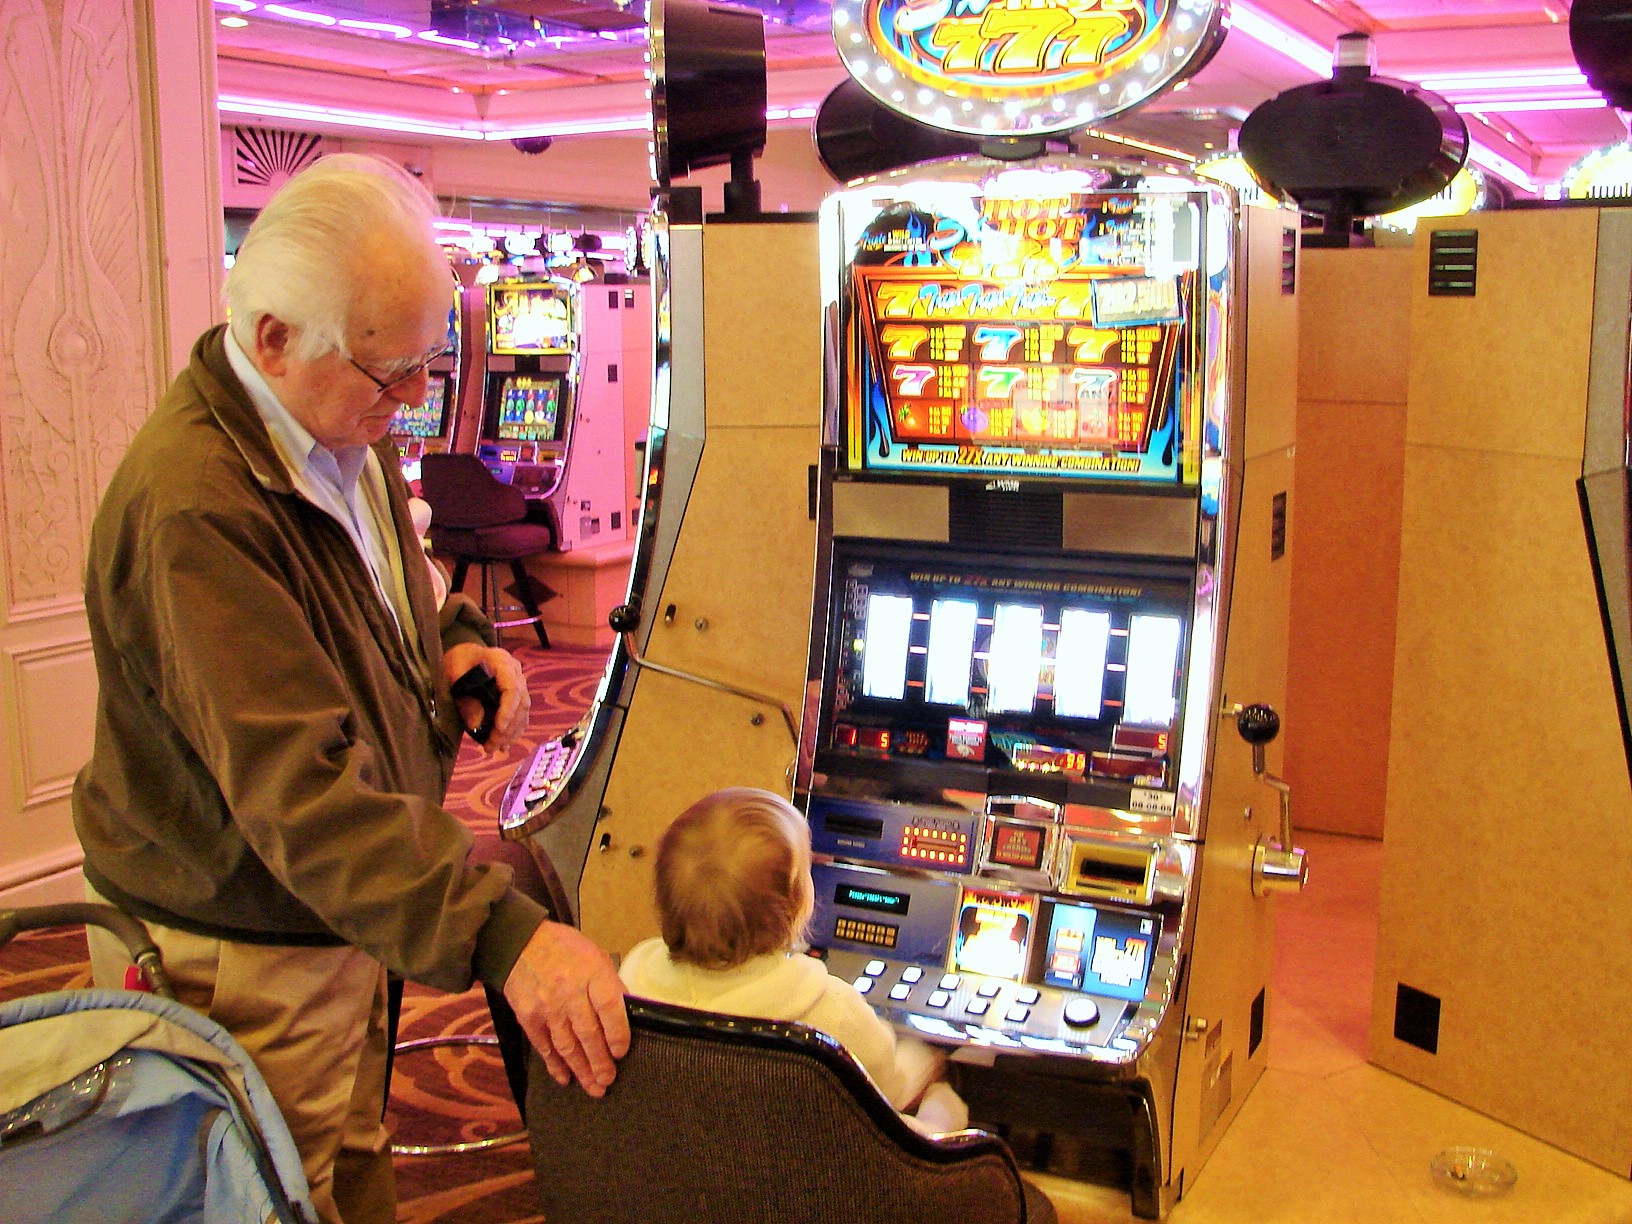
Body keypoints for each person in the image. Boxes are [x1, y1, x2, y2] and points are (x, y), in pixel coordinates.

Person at [71, 153, 628, 1224]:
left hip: (346, 911)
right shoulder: (200, 512)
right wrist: (505, 938)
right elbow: (301, 793)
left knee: (347, 1157)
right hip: (243, 932)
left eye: (431, 363)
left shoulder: (337, 429)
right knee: (269, 1193)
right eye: (390, 374)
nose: (418, 400)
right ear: (273, 336)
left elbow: (387, 585)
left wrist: (452, 639)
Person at [620, 787, 968, 1135]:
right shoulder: (829, 1009)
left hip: (692, 1150)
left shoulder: (632, 983)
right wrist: (924, 1059)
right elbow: (886, 1087)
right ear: (795, 906)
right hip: (810, 1166)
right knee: (945, 1109)